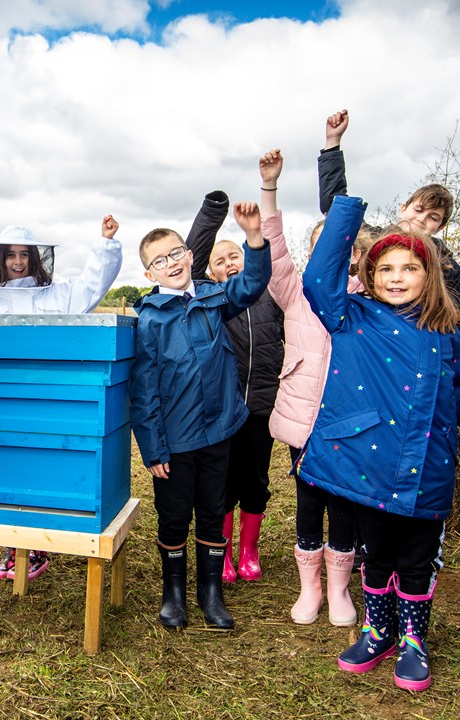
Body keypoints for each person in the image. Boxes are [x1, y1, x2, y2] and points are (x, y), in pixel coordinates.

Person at [301, 194, 460, 691]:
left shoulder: (445, 331)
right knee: (375, 556)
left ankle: (413, 640)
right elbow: (318, 277)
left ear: (430, 276)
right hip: (368, 468)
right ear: (370, 278)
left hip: (427, 469)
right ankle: (378, 631)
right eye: (386, 270)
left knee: (416, 561)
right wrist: (344, 208)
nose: (396, 277)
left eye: (409, 268)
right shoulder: (351, 316)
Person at [129, 199, 272, 630]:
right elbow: (144, 391)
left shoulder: (213, 298)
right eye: (159, 261)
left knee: (213, 511)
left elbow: (252, 284)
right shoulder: (149, 321)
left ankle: (211, 592)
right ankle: (173, 594)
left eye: (176, 253)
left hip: (220, 433)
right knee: (174, 517)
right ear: (149, 273)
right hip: (175, 443)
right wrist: (153, 449)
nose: (170, 263)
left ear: (190, 256)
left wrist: (253, 237)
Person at [245, 150, 361, 626]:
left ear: (354, 252)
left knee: (348, 504)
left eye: (344, 246)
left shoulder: (369, 298)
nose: (334, 254)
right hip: (304, 419)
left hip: (353, 421)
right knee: (310, 500)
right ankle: (310, 588)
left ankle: (340, 589)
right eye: (321, 245)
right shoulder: (294, 291)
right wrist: (269, 188)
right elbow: (273, 249)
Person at [0, 217, 123, 580]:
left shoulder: (57, 294)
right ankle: (15, 548)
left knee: (43, 469)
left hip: (46, 397)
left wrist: (105, 243)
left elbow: (92, 286)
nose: (18, 262)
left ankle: (38, 546)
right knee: (8, 467)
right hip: (2, 402)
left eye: (24, 255)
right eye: (10, 255)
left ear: (36, 258)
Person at [317, 109, 460, 382]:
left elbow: (456, 327)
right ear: (404, 208)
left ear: (440, 227)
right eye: (419, 209)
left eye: (432, 217)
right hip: (366, 349)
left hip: (413, 360)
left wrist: (459, 388)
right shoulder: (372, 241)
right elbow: (337, 210)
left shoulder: (446, 267)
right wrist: (333, 144)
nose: (421, 220)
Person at [185, 186, 284, 585]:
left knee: (256, 480)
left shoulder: (269, 293)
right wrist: (213, 211)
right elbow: (189, 263)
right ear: (211, 272)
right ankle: (222, 552)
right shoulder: (210, 299)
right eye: (219, 261)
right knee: (223, 482)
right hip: (225, 408)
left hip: (262, 403)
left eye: (234, 256)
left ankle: (250, 550)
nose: (228, 264)